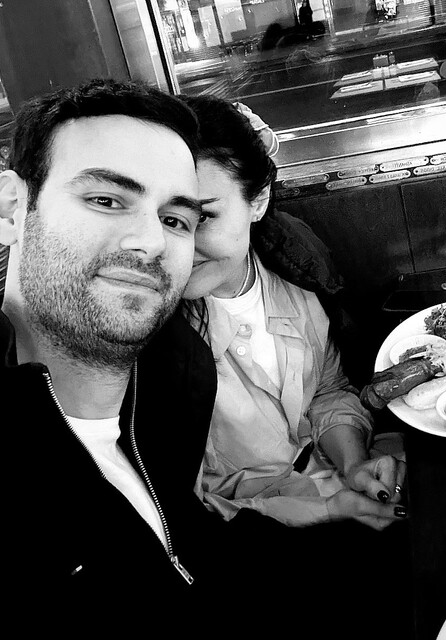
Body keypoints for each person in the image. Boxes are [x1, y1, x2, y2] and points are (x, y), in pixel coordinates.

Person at [0, 79, 232, 632]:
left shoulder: (176, 378)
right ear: (11, 211)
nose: (150, 242)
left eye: (175, 220)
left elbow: (182, 549)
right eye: (106, 200)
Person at [179, 94, 413, 636]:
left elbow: (328, 390)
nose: (179, 244)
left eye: (203, 216)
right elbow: (180, 507)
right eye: (168, 217)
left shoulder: (294, 273)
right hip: (252, 554)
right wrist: (323, 507)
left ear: (258, 199)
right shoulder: (152, 338)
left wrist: (353, 464)